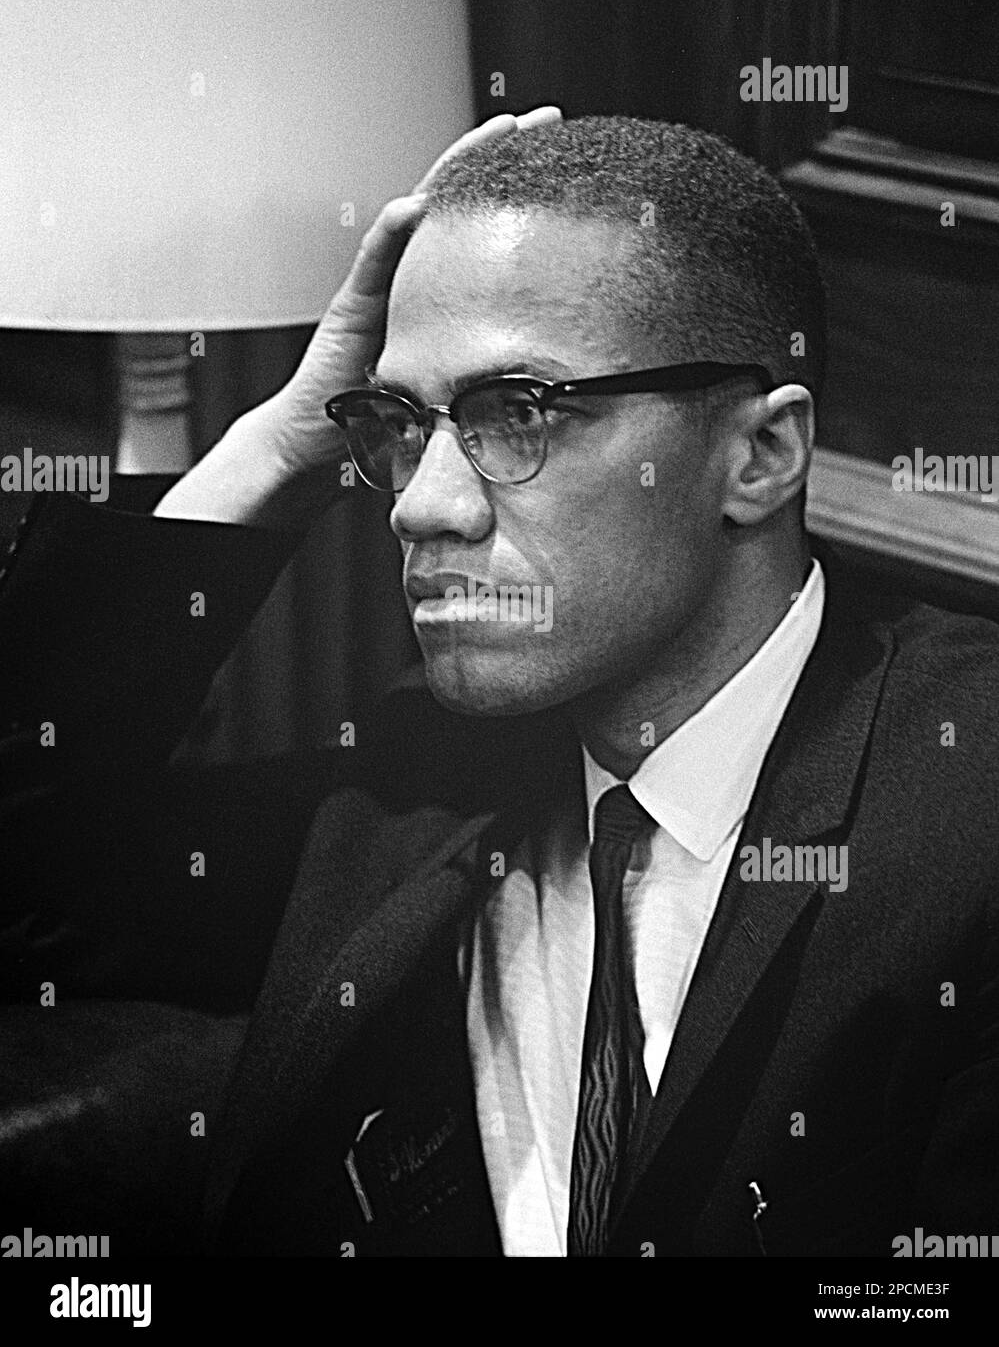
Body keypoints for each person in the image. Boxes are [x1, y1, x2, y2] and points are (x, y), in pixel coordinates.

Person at [2, 109, 997, 1258]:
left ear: (760, 455)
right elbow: (26, 884)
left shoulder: (967, 804)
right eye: (397, 424)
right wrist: (275, 448)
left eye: (516, 411)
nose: (420, 505)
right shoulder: (411, 791)